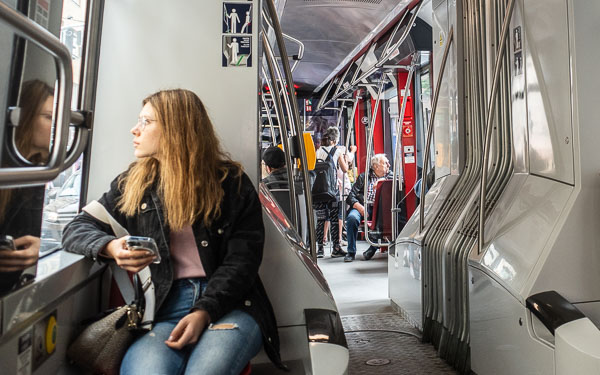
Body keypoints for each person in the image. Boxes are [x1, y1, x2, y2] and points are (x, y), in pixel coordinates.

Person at [62, 89, 284, 374]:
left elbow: (242, 263)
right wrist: (111, 247)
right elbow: (76, 228)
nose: (135, 129)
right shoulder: (134, 184)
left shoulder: (231, 183)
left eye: (146, 121)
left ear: (175, 129)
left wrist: (204, 311)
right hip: (163, 307)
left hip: (232, 305)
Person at [0, 79, 55, 294]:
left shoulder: (43, 175)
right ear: (25, 118)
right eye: (48, 117)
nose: (55, 128)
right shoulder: (9, 172)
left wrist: (41, 247)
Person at [344, 153, 391, 262]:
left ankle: (372, 248)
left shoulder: (389, 176)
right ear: (376, 166)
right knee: (352, 218)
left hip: (379, 209)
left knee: (384, 221)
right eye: (384, 163)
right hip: (362, 206)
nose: (388, 165)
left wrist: (380, 182)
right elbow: (350, 196)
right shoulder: (363, 177)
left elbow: (400, 180)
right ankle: (351, 252)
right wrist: (360, 207)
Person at [314, 127, 348, 259]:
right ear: (335, 140)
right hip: (333, 191)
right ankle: (336, 248)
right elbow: (345, 169)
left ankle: (320, 249)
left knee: (321, 219)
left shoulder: (318, 151)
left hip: (319, 191)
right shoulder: (337, 151)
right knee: (334, 219)